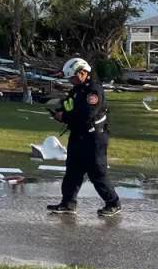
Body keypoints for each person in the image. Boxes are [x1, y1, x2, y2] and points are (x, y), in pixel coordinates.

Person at [47, 57, 121, 218]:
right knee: (72, 171)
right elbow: (70, 105)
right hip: (78, 135)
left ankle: (113, 203)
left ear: (83, 73)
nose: (71, 80)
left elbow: (87, 114)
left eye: (73, 77)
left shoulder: (93, 90)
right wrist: (60, 111)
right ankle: (68, 203)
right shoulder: (77, 90)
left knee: (97, 172)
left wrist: (64, 117)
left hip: (94, 137)